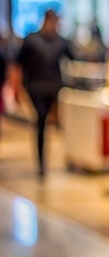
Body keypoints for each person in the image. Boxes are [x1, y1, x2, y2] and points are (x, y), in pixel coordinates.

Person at [16, 10, 73, 178]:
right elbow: (18, 65)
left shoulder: (61, 42)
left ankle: (58, 159)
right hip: (35, 88)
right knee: (41, 120)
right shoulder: (32, 41)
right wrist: (17, 88)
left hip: (54, 88)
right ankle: (41, 162)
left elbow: (74, 58)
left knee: (52, 123)